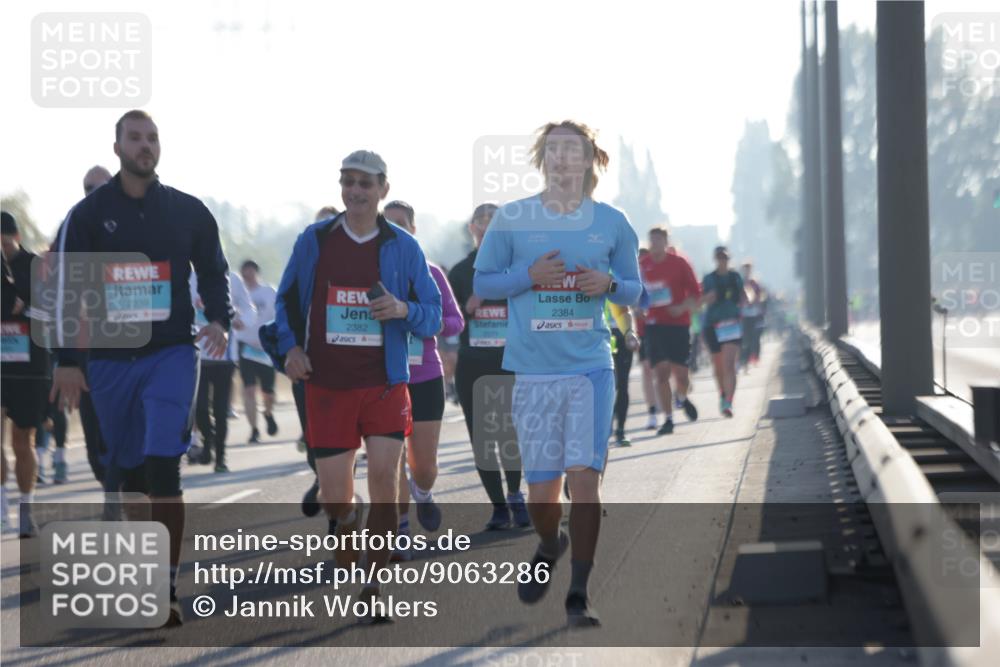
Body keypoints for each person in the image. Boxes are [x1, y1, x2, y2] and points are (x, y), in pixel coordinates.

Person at [50, 110, 232, 626]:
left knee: (162, 464)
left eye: (152, 138)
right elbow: (65, 290)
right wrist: (67, 360)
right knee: (130, 474)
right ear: (118, 148)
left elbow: (213, 270)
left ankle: (166, 587)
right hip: (109, 360)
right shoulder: (87, 216)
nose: (145, 145)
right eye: (135, 138)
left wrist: (219, 318)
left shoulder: (187, 211)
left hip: (171, 352)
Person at [473, 121, 644, 627]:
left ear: (590, 159)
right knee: (541, 496)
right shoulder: (512, 218)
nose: (562, 158)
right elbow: (484, 283)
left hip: (591, 367)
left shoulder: (612, 222)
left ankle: (579, 593)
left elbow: (636, 290)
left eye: (573, 150)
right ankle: (551, 542)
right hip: (533, 372)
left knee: (584, 482)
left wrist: (608, 284)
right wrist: (529, 276)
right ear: (542, 159)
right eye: (553, 150)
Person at [273, 150, 441, 621]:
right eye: (348, 181)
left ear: (383, 189)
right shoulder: (315, 240)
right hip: (327, 386)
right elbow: (284, 303)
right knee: (334, 498)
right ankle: (348, 518)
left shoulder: (404, 246)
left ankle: (373, 585)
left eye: (365, 183)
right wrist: (291, 349)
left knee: (385, 480)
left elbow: (432, 316)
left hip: (385, 384)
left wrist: (403, 310)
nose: (355, 191)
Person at [383, 200, 463, 558]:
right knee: (392, 459)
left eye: (402, 224)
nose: (395, 231)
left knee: (424, 466)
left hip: (425, 374)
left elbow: (455, 322)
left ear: (413, 230)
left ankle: (424, 492)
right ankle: (400, 529)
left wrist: (423, 320)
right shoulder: (369, 272)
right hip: (385, 377)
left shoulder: (430, 271)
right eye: (388, 224)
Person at [448, 203, 529, 530]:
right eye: (481, 220)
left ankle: (515, 495)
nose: (486, 225)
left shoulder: (518, 268)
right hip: (473, 363)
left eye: (493, 220)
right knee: (482, 439)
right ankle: (498, 507)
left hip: (510, 362)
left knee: (509, 433)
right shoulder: (460, 272)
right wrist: (468, 307)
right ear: (472, 229)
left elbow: (532, 312)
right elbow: (448, 322)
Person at [1, 211, 49, 537]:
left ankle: (25, 510)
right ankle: (1, 507)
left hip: (29, 367)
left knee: (22, 440)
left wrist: (26, 303)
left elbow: (55, 310)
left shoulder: (36, 267)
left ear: (17, 237)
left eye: (5, 243)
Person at [639, 227, 700, 436]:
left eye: (658, 239)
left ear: (666, 241)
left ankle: (682, 397)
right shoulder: (642, 265)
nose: (654, 243)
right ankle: (668, 419)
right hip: (654, 325)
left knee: (682, 376)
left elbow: (695, 293)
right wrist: (637, 309)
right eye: (652, 240)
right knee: (661, 372)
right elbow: (635, 293)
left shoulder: (679, 263)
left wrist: (681, 308)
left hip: (678, 325)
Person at [189, 270, 253, 472]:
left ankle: (221, 458)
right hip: (197, 354)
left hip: (225, 356)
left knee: (220, 410)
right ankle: (208, 440)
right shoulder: (186, 276)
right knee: (199, 408)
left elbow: (248, 309)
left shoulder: (231, 278)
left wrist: (243, 321)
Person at [236, 260, 278, 443]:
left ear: (257, 272)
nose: (248, 275)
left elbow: (279, 315)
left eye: (251, 271)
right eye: (245, 272)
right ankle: (254, 429)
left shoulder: (269, 292)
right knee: (249, 389)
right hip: (245, 345)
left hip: (266, 347)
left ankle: (268, 412)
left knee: (268, 392)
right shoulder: (238, 295)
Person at [701, 246, 744, 418]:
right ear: (715, 259)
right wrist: (708, 297)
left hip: (732, 324)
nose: (722, 261)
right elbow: (699, 300)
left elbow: (743, 294)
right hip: (713, 325)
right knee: (718, 365)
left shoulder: (735, 277)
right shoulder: (708, 279)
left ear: (729, 259)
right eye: (719, 258)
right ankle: (722, 393)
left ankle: (729, 401)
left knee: (729, 364)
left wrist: (747, 299)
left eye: (725, 258)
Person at [607, 301, 639, 447]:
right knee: (607, 385)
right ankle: (605, 428)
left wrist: (630, 333)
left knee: (622, 384)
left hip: (622, 334)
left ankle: (620, 430)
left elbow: (639, 296)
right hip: (600, 333)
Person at [739, 261, 766, 372]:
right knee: (744, 338)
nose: (747, 271)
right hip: (743, 315)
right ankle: (744, 359)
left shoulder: (754, 283)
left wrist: (755, 301)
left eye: (748, 269)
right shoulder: (739, 282)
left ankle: (752, 357)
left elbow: (760, 297)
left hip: (754, 314)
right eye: (745, 269)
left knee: (754, 337)